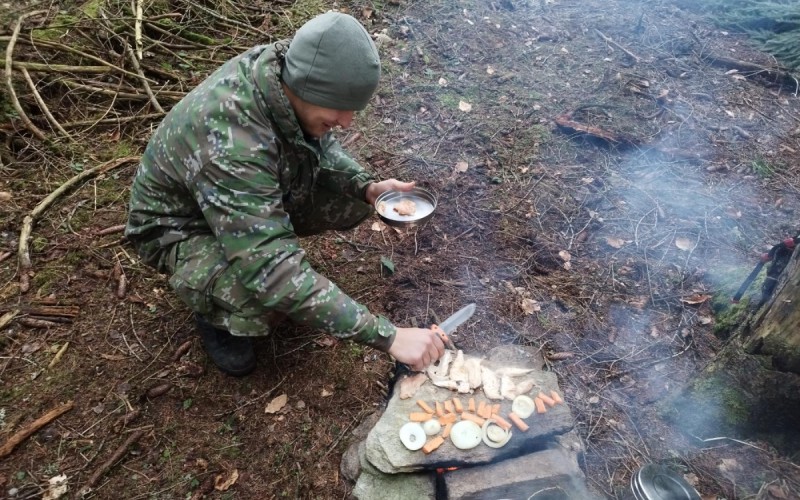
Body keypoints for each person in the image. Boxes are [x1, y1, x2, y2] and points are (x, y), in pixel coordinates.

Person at [125, 12, 445, 376]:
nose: (347, 122)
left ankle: (264, 243)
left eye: (352, 109)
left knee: (350, 200)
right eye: (339, 108)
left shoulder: (285, 75)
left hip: (233, 198)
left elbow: (317, 144)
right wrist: (389, 337)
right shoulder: (233, 144)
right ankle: (216, 315)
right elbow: (272, 271)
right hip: (178, 226)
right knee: (266, 295)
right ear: (308, 87)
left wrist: (365, 187)